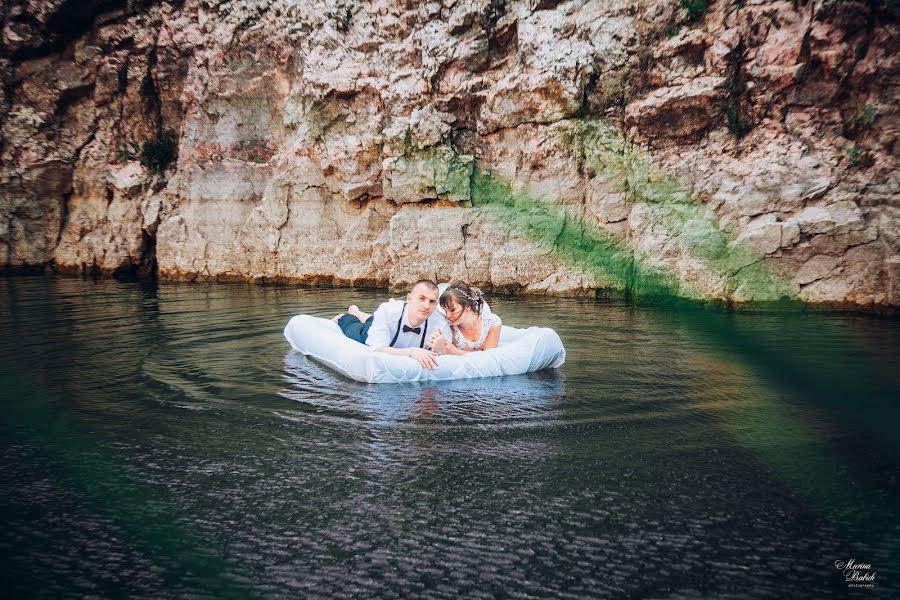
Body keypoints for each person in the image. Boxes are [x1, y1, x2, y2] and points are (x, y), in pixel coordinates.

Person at [332, 279, 452, 369]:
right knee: (353, 328)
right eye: (421, 298)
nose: (426, 306)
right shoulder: (388, 311)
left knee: (375, 319)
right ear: (409, 299)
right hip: (373, 331)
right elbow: (377, 349)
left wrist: (441, 348)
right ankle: (350, 314)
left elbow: (446, 356)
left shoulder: (440, 323)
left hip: (388, 324)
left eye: (431, 302)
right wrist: (411, 351)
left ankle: (360, 313)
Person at [427, 281, 502, 355]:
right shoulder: (449, 328)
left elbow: (489, 358)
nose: (448, 315)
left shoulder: (492, 323)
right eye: (445, 311)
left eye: (452, 310)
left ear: (467, 306)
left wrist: (455, 352)